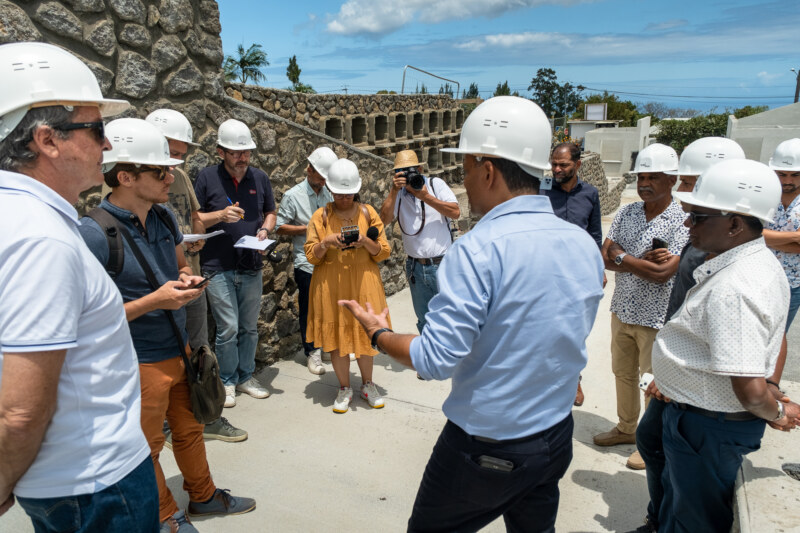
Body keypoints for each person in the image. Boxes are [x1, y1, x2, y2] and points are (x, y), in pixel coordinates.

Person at [341, 96, 604, 532]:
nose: (464, 181)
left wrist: (378, 333)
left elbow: (435, 359)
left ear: (488, 170)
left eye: (465, 170)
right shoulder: (582, 245)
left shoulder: (477, 249)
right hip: (555, 435)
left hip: (489, 447)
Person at [0, 42, 158, 532]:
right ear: (47, 140)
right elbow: (20, 410)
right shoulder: (41, 238)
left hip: (74, 481)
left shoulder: (21, 219)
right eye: (96, 130)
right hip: (94, 487)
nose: (107, 146)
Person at [79, 118, 256, 532]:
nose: (171, 177)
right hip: (137, 362)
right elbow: (83, 321)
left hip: (180, 350)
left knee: (190, 429)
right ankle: (164, 517)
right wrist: (155, 301)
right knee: (146, 446)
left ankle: (204, 497)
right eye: (160, 171)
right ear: (126, 176)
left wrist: (185, 280)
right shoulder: (93, 234)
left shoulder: (163, 217)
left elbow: (179, 266)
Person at [650, 159, 800, 533]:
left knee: (694, 521)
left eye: (699, 217)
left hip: (707, 427)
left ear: (734, 225)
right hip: (702, 422)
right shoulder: (753, 263)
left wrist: (777, 412)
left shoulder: (735, 289)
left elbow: (751, 392)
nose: (688, 224)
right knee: (680, 507)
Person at [630, 137, 746, 532]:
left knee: (679, 463)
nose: (683, 198)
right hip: (678, 373)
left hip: (703, 392)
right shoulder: (705, 244)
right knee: (652, 441)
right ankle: (659, 518)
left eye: (692, 185)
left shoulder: (738, 261)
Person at [145, 109, 247, 445]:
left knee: (200, 351)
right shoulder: (132, 182)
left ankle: (207, 415)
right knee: (163, 360)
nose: (176, 163)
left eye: (181, 154)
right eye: (172, 153)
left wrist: (198, 237)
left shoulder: (180, 177)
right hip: (160, 286)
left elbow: (194, 215)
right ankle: (165, 425)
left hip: (192, 276)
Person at [593, 143, 688, 471]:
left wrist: (622, 256)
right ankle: (626, 428)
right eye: (641, 177)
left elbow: (663, 273)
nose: (644, 183)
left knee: (652, 383)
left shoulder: (682, 220)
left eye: (653, 177)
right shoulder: (628, 212)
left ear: (672, 180)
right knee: (622, 373)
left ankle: (650, 443)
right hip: (622, 309)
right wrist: (636, 261)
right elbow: (604, 256)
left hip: (655, 317)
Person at [194, 119, 275, 407]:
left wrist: (265, 230)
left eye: (246, 152)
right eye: (236, 152)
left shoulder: (259, 178)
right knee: (228, 327)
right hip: (217, 265)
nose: (242, 157)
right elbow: (195, 219)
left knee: (249, 327)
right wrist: (220, 215)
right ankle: (227, 381)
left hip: (251, 264)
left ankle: (245, 377)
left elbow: (270, 212)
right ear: (220, 152)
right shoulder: (206, 177)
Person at [305, 158, 392, 413]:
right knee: (336, 339)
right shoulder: (320, 216)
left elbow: (383, 251)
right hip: (331, 285)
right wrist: (327, 242)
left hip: (364, 282)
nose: (344, 198)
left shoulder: (368, 213)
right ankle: (344, 387)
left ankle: (368, 384)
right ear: (330, 190)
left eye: (349, 193)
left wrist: (364, 241)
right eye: (339, 194)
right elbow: (311, 255)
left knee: (367, 333)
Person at [546, 141, 603, 407]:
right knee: (545, 326)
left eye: (563, 165)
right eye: (554, 164)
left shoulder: (590, 194)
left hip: (578, 275)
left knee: (574, 329)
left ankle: (573, 378)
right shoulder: (541, 191)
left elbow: (595, 235)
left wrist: (598, 269)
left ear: (578, 164)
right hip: (547, 273)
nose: (556, 169)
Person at [379, 150, 460, 334]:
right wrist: (393, 191)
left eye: (411, 171)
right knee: (424, 320)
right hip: (415, 267)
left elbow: (455, 212)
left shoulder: (434, 184)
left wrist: (425, 196)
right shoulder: (398, 195)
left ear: (420, 169)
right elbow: (383, 220)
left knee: (450, 318)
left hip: (442, 264)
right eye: (401, 172)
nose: (407, 176)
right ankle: (428, 352)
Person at [276, 146, 337, 375]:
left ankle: (327, 347)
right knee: (310, 309)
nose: (323, 182)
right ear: (309, 169)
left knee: (330, 307)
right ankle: (312, 352)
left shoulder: (328, 193)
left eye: (326, 178)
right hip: (306, 261)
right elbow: (279, 227)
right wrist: (309, 228)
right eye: (321, 177)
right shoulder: (293, 196)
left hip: (329, 260)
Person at [763, 138, 800, 380]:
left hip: (791, 284)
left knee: (777, 337)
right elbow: (751, 233)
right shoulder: (765, 196)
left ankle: (769, 386)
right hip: (760, 278)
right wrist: (795, 238)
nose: (787, 180)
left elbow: (758, 235)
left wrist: (764, 237)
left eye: (794, 175)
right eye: (782, 174)